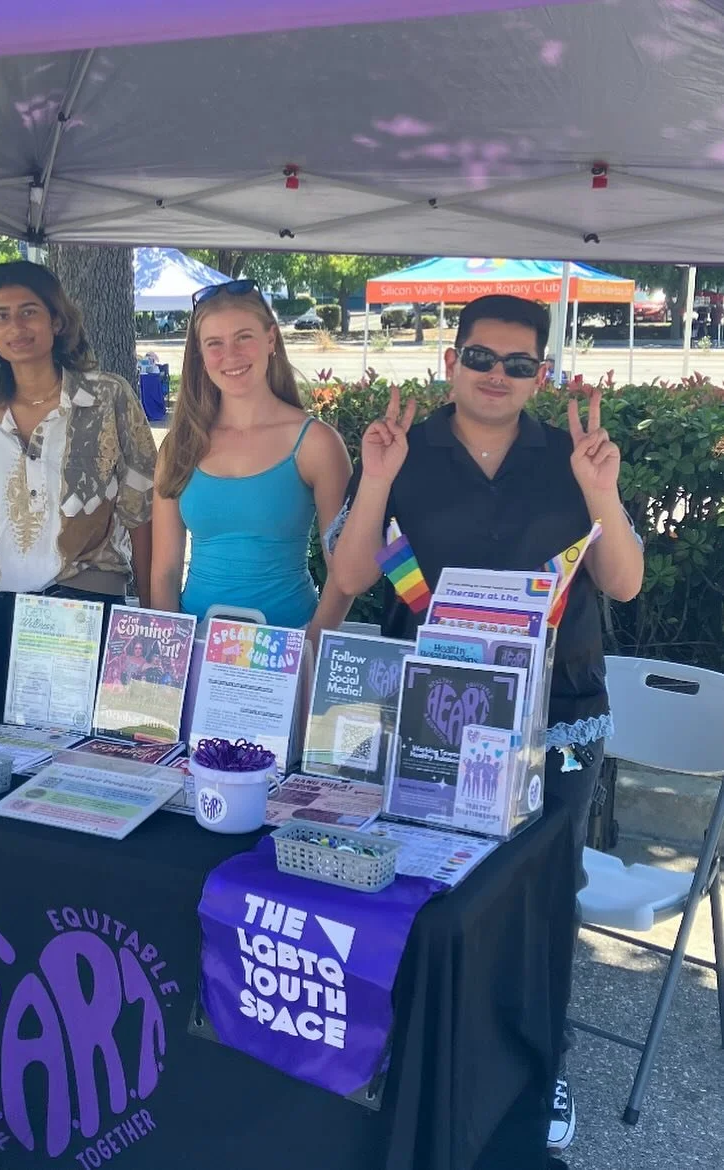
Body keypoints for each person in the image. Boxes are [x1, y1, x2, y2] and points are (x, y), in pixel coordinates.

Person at [327, 294, 644, 1154]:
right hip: (429, 711)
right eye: (480, 358)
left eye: (518, 364)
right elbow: (356, 573)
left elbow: (622, 583)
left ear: (540, 373)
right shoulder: (403, 451)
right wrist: (378, 478)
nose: (496, 376)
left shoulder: (576, 456)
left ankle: (544, 1055)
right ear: (449, 362)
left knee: (542, 891)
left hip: (559, 709)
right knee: (428, 886)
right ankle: (424, 1044)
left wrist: (602, 493)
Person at [0, 260, 157, 721]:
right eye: (1, 315)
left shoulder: (107, 396)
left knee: (82, 748)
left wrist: (151, 612)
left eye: (29, 311)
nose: (16, 326)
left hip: (84, 596)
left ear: (57, 319)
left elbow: (143, 507)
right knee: (9, 746)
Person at [150, 279, 353, 641]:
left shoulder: (317, 444)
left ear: (271, 339)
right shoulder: (179, 447)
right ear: (199, 353)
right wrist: (170, 654)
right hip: (197, 645)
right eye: (214, 343)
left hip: (289, 644)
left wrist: (309, 649)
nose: (230, 354)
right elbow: (164, 570)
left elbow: (345, 570)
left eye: (243, 337)